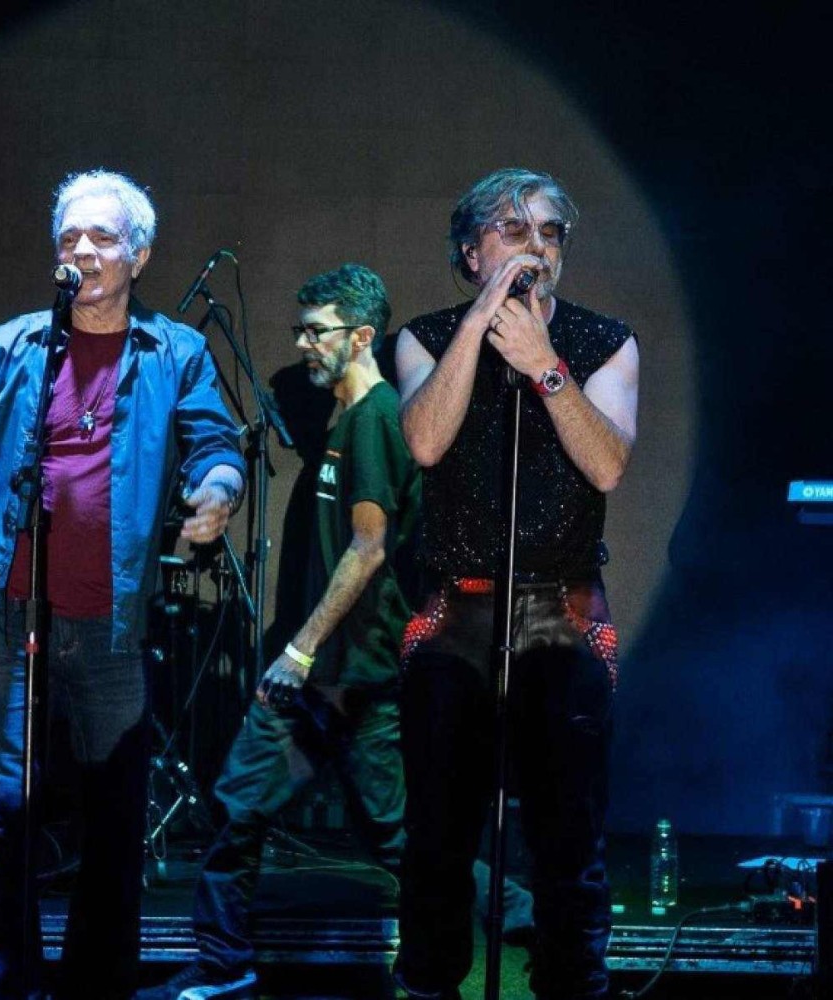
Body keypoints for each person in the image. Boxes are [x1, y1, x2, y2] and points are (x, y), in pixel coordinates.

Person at [0, 169, 246, 1000]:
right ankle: (1, 989)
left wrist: (218, 493)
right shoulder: (11, 346)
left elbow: (216, 443)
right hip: (8, 622)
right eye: (68, 237)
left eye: (102, 237)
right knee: (5, 820)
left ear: (139, 255)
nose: (82, 250)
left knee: (113, 829)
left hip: (111, 627)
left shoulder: (176, 352)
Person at [392, 168, 639, 1000]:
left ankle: (573, 985)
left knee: (569, 839)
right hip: (454, 608)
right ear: (471, 253)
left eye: (550, 232)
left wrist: (545, 366)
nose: (537, 245)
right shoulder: (425, 338)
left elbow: (607, 466)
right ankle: (431, 984)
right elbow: (425, 443)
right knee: (437, 837)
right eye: (513, 229)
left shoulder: (605, 341)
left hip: (563, 608)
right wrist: (480, 329)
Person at [152, 264, 420, 1000]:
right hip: (317, 676)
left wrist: (299, 651)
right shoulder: (342, 423)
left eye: (316, 330)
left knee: (396, 836)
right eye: (300, 329)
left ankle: (521, 923)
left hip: (351, 675)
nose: (302, 343)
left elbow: (369, 550)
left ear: (361, 337)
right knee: (241, 804)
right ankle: (223, 964)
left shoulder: (376, 421)